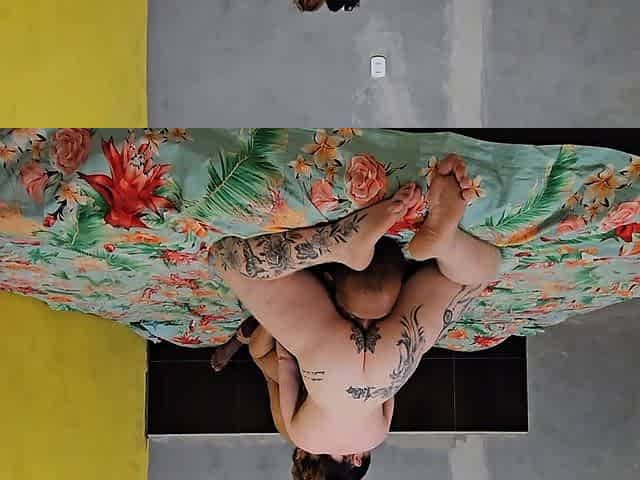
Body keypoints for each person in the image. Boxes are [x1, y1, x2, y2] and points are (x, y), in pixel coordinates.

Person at [209, 155, 502, 479]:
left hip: (388, 371)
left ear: (356, 461)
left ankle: (448, 244)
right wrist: (293, 315)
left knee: (478, 276)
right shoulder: (304, 438)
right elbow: (286, 362)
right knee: (225, 258)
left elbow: (390, 393)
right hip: (326, 369)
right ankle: (334, 244)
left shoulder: (375, 437)